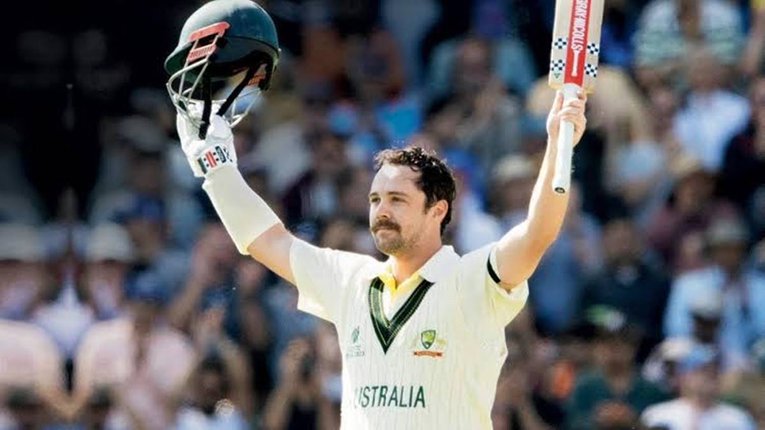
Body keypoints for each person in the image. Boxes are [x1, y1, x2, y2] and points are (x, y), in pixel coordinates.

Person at [175, 62, 587, 428]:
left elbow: (537, 233)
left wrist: (557, 145)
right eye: (375, 199)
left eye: (397, 200)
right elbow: (267, 240)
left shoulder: (472, 280)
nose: (381, 211)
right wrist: (215, 165)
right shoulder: (351, 280)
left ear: (437, 210)